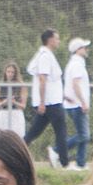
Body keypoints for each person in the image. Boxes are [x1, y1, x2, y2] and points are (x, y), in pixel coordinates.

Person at [23, 29, 67, 166]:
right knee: (61, 131)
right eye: (57, 38)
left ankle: (17, 149)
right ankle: (63, 161)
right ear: (50, 40)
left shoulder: (46, 55)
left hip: (50, 101)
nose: (58, 41)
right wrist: (42, 102)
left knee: (34, 131)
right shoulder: (45, 57)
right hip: (50, 102)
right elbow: (43, 79)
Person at [62, 38, 92, 169]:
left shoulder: (76, 63)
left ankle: (81, 163)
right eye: (84, 47)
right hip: (77, 105)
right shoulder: (76, 64)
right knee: (84, 135)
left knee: (83, 134)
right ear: (78, 50)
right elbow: (75, 84)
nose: (86, 50)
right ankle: (58, 150)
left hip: (75, 104)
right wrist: (83, 102)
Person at [0, 60, 26, 137]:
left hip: (16, 114)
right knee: (1, 137)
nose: (10, 74)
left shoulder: (21, 86)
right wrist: (4, 102)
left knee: (18, 137)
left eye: (12, 72)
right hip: (3, 113)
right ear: (5, 72)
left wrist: (14, 102)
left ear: (15, 73)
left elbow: (23, 106)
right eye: (8, 71)